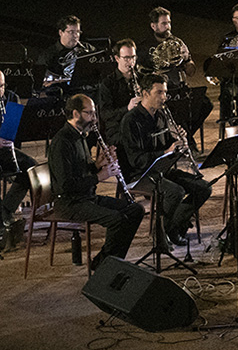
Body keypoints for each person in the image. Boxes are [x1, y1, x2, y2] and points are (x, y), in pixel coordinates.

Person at [47, 94, 145, 271]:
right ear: (76, 114)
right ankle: (105, 266)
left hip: (86, 197)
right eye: (90, 113)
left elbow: (81, 171)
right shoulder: (62, 142)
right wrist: (100, 176)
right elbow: (66, 185)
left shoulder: (80, 136)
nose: (94, 118)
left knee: (135, 210)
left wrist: (98, 165)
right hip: (70, 203)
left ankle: (109, 261)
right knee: (116, 220)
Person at [119, 74, 213, 250]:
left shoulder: (161, 115)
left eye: (165, 92)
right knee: (175, 192)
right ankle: (164, 233)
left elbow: (167, 147)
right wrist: (165, 152)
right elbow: (135, 160)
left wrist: (178, 144)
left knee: (203, 188)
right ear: (145, 93)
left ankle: (171, 228)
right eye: (159, 92)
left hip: (162, 169)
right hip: (141, 173)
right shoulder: (130, 121)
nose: (164, 97)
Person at [139, 7, 212, 142]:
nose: (168, 27)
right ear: (153, 26)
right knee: (177, 110)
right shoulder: (145, 47)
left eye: (169, 23)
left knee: (205, 104)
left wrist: (187, 62)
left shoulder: (177, 42)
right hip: (160, 91)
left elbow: (191, 71)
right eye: (164, 24)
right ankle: (186, 140)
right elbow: (140, 73)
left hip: (179, 87)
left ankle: (186, 135)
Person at [0, 71, 38, 232]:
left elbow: (12, 131)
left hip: (5, 149)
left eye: (1, 86)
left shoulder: (11, 98)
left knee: (31, 168)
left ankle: (6, 210)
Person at [96, 39, 143, 145]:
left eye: (133, 57)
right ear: (117, 58)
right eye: (126, 58)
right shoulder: (108, 83)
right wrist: (127, 108)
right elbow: (105, 114)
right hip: (118, 129)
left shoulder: (142, 79)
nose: (131, 62)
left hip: (139, 125)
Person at [36, 15, 88, 83]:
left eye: (78, 32)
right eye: (71, 32)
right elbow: (39, 78)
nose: (76, 35)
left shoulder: (87, 48)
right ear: (61, 32)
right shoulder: (48, 55)